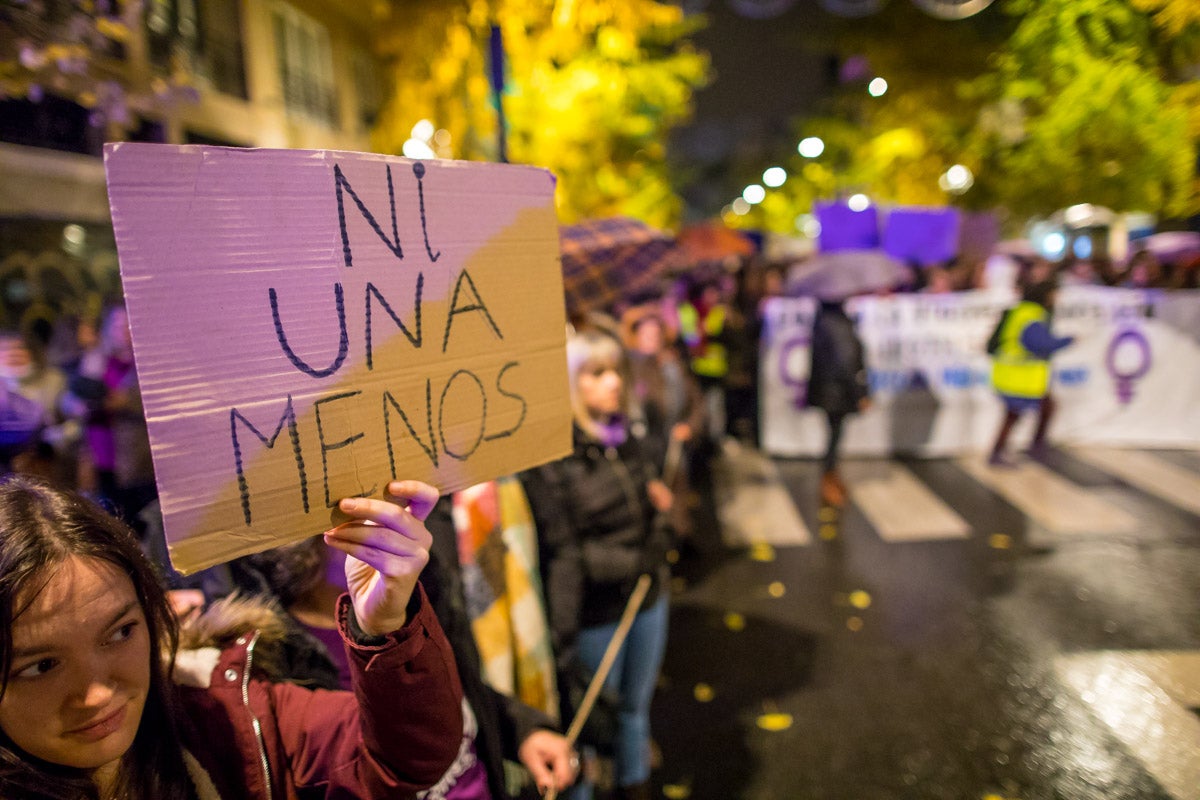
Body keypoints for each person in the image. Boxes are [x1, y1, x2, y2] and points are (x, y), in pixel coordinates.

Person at [0, 473, 464, 799]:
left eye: (120, 633)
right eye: (41, 666)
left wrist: (384, 626)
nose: (97, 692)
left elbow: (401, 762)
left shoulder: (225, 709)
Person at [244, 505, 580, 800]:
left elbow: (454, 690)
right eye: (358, 514)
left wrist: (523, 729)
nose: (389, 521)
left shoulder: (420, 590)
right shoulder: (274, 659)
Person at [521, 328, 674, 800]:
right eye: (597, 373)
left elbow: (643, 513)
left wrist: (657, 511)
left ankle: (635, 787)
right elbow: (565, 553)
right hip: (597, 613)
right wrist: (564, 640)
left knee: (634, 711)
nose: (614, 383)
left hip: (647, 596)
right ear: (570, 384)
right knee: (586, 728)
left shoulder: (625, 436)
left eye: (616, 371)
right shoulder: (555, 458)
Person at [988, 278, 1075, 466]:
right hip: (1019, 377)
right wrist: (1067, 340)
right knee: (1015, 415)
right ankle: (1003, 452)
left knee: (1044, 408)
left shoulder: (1019, 311)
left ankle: (1034, 447)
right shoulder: (1033, 316)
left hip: (1012, 375)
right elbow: (1041, 344)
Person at [806, 298, 871, 508]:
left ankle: (832, 476)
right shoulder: (837, 324)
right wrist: (859, 392)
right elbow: (846, 362)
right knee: (834, 436)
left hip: (829, 390)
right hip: (837, 392)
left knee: (834, 435)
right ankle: (829, 479)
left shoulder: (822, 322)